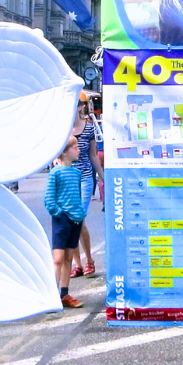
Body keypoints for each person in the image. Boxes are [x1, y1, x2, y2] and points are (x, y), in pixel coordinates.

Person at [44, 136, 87, 309]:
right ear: (64, 151)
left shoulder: (76, 173)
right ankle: (52, 295)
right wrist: (59, 213)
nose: (79, 150)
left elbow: (77, 196)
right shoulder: (55, 173)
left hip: (75, 220)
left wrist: (80, 213)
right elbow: (49, 199)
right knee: (58, 258)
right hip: (62, 220)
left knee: (69, 257)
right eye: (75, 147)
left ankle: (64, 293)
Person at [70, 97, 100, 278]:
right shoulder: (62, 129)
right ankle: (77, 264)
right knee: (70, 220)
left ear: (81, 107)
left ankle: (89, 260)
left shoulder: (89, 128)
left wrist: (103, 178)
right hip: (67, 179)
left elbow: (93, 156)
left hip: (85, 178)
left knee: (78, 219)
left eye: (76, 104)